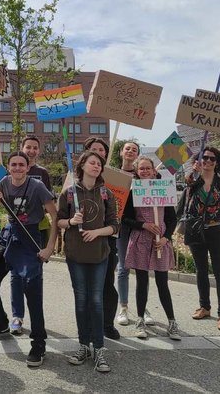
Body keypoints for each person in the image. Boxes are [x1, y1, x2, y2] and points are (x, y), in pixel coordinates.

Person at [0, 151, 58, 368]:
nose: (17, 168)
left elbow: (55, 215)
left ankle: (39, 344)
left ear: (27, 167)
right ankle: (1, 324)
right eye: (13, 164)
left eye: (21, 165)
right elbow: (11, 211)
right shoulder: (4, 183)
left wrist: (50, 247)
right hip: (8, 235)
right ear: (8, 167)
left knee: (32, 292)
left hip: (30, 237)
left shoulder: (37, 187)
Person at [58, 150, 119, 373]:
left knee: (96, 300)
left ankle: (99, 348)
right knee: (81, 300)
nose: (96, 166)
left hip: (100, 255)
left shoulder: (106, 194)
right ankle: (83, 345)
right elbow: (59, 222)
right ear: (82, 165)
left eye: (99, 164)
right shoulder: (69, 193)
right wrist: (72, 221)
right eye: (92, 163)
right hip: (75, 255)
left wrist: (98, 233)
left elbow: (115, 225)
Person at [122, 156, 181, 340]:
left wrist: (166, 238)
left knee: (162, 282)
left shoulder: (164, 189)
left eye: (148, 168)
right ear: (137, 172)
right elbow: (125, 218)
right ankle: (140, 320)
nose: (145, 171)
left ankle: (172, 322)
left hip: (160, 241)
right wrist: (143, 225)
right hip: (141, 239)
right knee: (142, 281)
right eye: (142, 169)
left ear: (154, 171)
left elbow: (172, 218)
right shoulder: (133, 191)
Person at [9, 135, 54, 335]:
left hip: (37, 229)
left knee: (35, 276)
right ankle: (17, 316)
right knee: (16, 275)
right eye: (28, 147)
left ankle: (37, 317)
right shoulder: (11, 172)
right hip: (16, 231)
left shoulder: (42, 174)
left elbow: (49, 203)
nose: (32, 150)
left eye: (35, 147)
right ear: (22, 148)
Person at [185, 146, 220, 331]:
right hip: (196, 231)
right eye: (205, 158)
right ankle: (204, 307)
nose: (208, 161)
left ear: (217, 162)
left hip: (215, 231)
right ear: (199, 160)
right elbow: (187, 187)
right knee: (201, 270)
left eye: (212, 159)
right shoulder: (193, 181)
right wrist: (193, 171)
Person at [83, 137, 120, 340]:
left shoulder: (115, 177)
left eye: (101, 150)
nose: (98, 152)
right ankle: (87, 324)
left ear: (106, 155)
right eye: (93, 149)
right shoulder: (76, 178)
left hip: (107, 239)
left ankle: (107, 323)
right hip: (83, 240)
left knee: (107, 283)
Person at [116, 141, 155, 327]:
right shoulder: (112, 174)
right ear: (121, 152)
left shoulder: (144, 175)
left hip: (143, 227)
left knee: (142, 269)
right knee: (123, 268)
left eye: (134, 149)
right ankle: (123, 307)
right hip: (123, 227)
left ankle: (143, 307)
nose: (130, 151)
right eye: (127, 148)